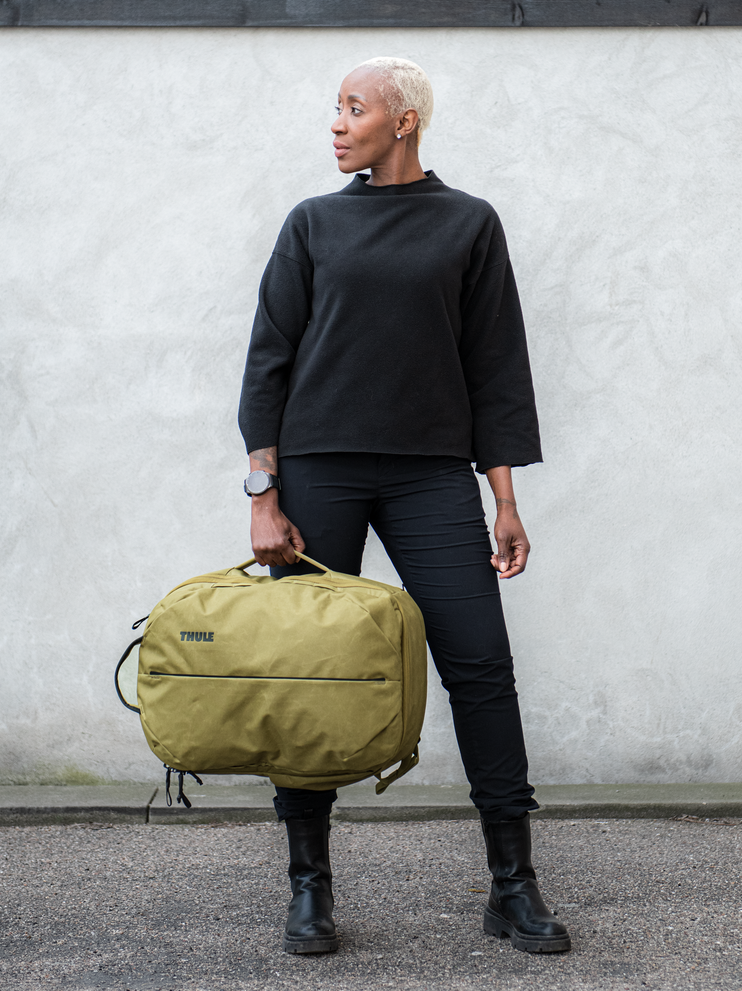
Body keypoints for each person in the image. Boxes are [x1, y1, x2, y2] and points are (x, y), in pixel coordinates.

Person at [237, 56, 570, 956]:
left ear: (405, 121)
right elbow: (269, 357)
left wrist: (504, 499)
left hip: (430, 474)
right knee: (309, 668)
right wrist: (264, 491)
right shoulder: (313, 223)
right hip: (319, 471)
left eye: (354, 107)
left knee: (480, 665)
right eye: (335, 109)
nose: (337, 123)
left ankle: (513, 884)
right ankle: (309, 888)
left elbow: (496, 371)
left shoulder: (468, 223)